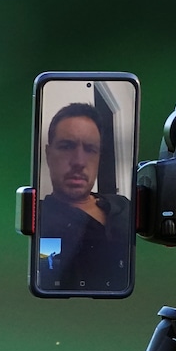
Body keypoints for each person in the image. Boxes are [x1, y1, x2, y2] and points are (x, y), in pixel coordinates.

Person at [38, 102, 131, 291]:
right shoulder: (39, 218)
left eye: (90, 149)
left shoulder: (123, 206)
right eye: (66, 146)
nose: (79, 162)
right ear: (48, 154)